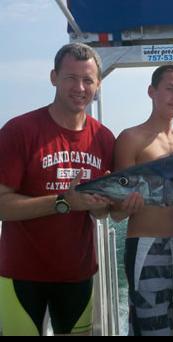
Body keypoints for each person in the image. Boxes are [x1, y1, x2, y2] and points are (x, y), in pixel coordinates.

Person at [0, 43, 115, 336]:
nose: (80, 87)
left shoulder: (103, 138)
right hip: (20, 275)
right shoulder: (19, 131)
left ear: (98, 85)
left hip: (77, 275)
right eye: (70, 78)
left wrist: (100, 204)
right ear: (54, 77)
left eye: (88, 80)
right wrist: (63, 201)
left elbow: (101, 212)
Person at [110, 65, 173, 336]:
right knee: (151, 328)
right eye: (170, 89)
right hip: (145, 247)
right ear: (152, 92)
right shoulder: (131, 138)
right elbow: (115, 209)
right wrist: (125, 206)